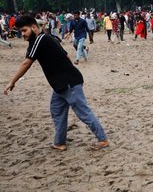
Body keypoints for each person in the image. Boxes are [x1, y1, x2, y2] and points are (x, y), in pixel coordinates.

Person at [3, 16, 109, 151]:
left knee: (83, 112)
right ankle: (59, 143)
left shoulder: (41, 39)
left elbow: (27, 63)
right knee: (56, 110)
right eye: (21, 31)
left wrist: (12, 82)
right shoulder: (41, 40)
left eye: (24, 30)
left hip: (69, 83)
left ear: (34, 27)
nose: (22, 34)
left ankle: (103, 139)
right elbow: (66, 56)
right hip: (60, 85)